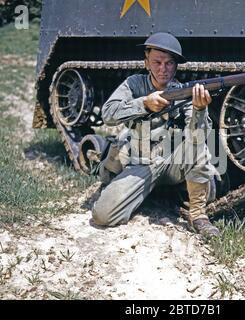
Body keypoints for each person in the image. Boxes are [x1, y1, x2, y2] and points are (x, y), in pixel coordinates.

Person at [92, 32, 220, 238]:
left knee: (197, 146)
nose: (163, 69)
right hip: (140, 161)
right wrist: (143, 103)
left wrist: (200, 110)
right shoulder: (133, 84)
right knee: (102, 215)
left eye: (169, 63)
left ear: (176, 66)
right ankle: (145, 192)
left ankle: (198, 215)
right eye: (157, 62)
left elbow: (199, 135)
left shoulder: (182, 92)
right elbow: (108, 114)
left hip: (172, 161)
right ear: (147, 63)